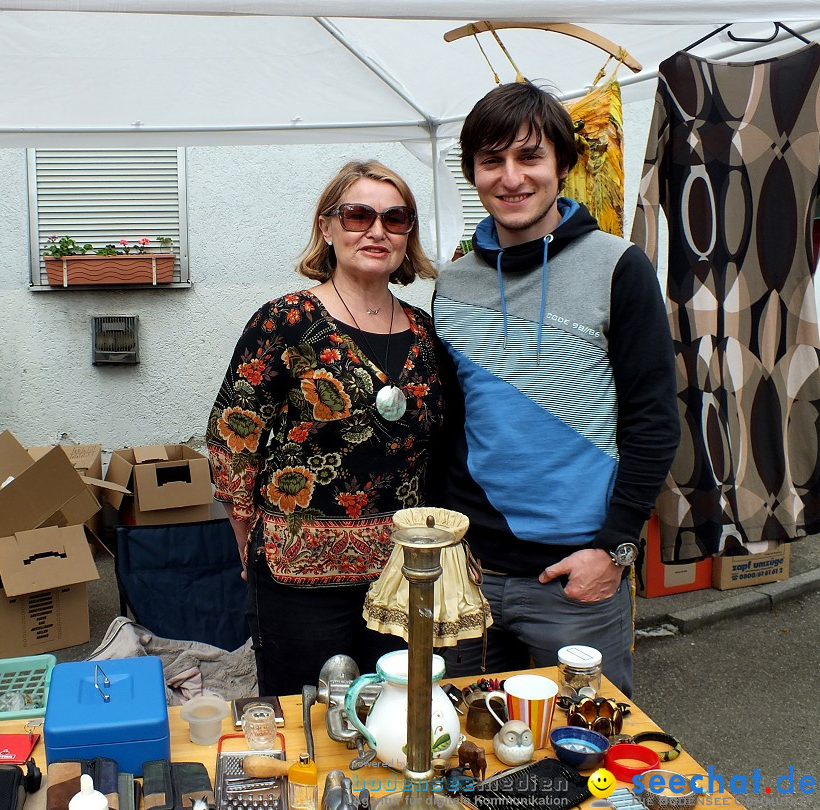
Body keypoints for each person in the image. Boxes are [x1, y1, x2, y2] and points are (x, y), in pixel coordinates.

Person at [430, 83, 679, 698]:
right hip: (470, 572)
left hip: (574, 576)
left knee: (587, 752)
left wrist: (612, 549)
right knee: (468, 750)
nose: (511, 178)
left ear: (562, 166)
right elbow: (452, 425)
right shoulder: (453, 281)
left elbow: (653, 422)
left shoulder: (618, 266)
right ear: (473, 173)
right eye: (492, 161)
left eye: (530, 157)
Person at [207, 160, 443, 696]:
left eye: (395, 217)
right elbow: (232, 434)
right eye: (358, 215)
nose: (376, 230)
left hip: (403, 577)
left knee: (395, 715)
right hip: (298, 577)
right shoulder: (285, 320)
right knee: (307, 718)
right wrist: (247, 539)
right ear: (327, 227)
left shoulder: (426, 332)